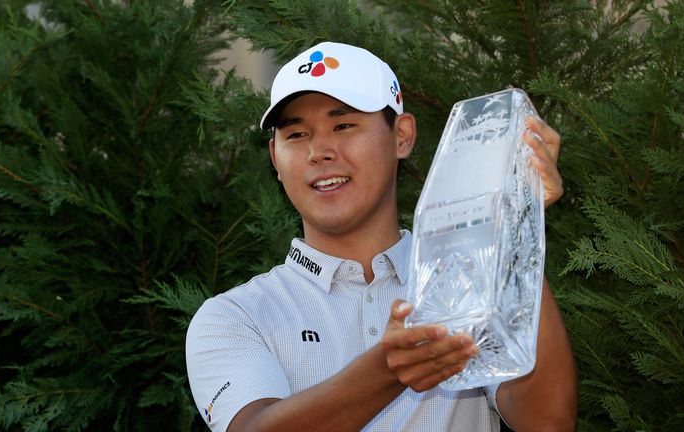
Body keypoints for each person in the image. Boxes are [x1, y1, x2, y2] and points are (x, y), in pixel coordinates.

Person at [186, 41, 577, 432]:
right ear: (275, 158)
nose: (319, 151)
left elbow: (546, 423)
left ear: (402, 136)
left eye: (343, 125)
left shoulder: (470, 277)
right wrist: (387, 369)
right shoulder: (234, 317)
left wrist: (515, 224)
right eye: (297, 134)